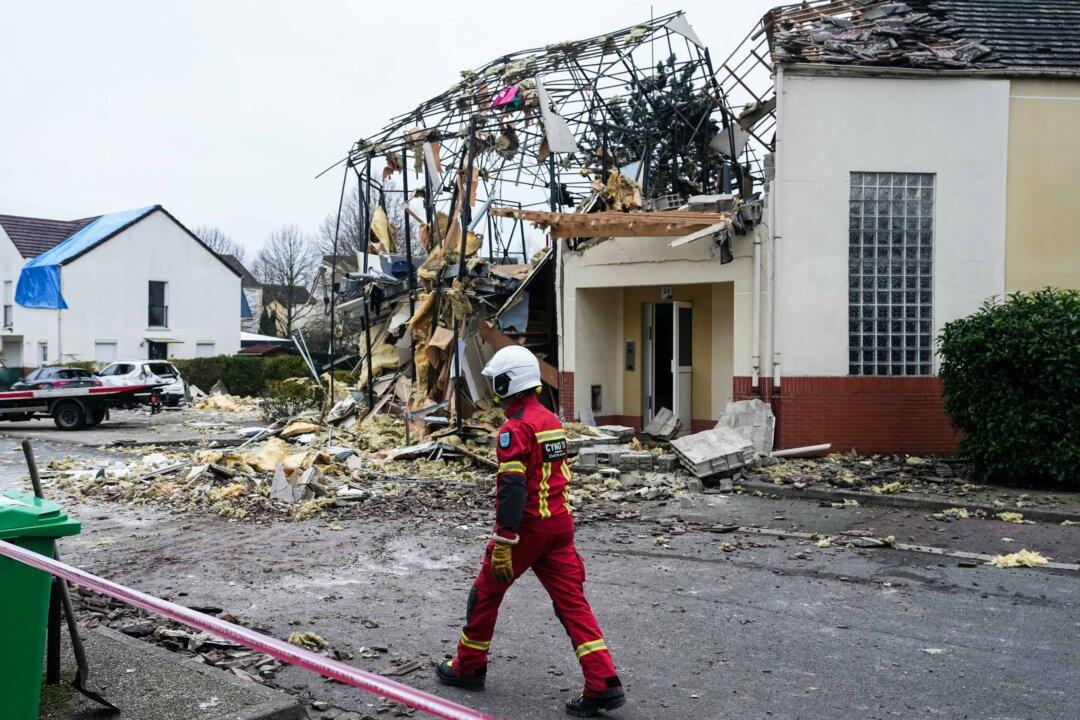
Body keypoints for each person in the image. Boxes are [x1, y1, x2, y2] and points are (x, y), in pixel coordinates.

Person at [435, 345, 625, 717]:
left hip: (528, 530)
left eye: (497, 381)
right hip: (560, 527)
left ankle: (468, 668)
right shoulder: (550, 420)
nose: (494, 387)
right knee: (573, 605)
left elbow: (513, 488)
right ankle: (603, 682)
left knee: (485, 594)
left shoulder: (516, 427)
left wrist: (505, 538)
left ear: (509, 383)